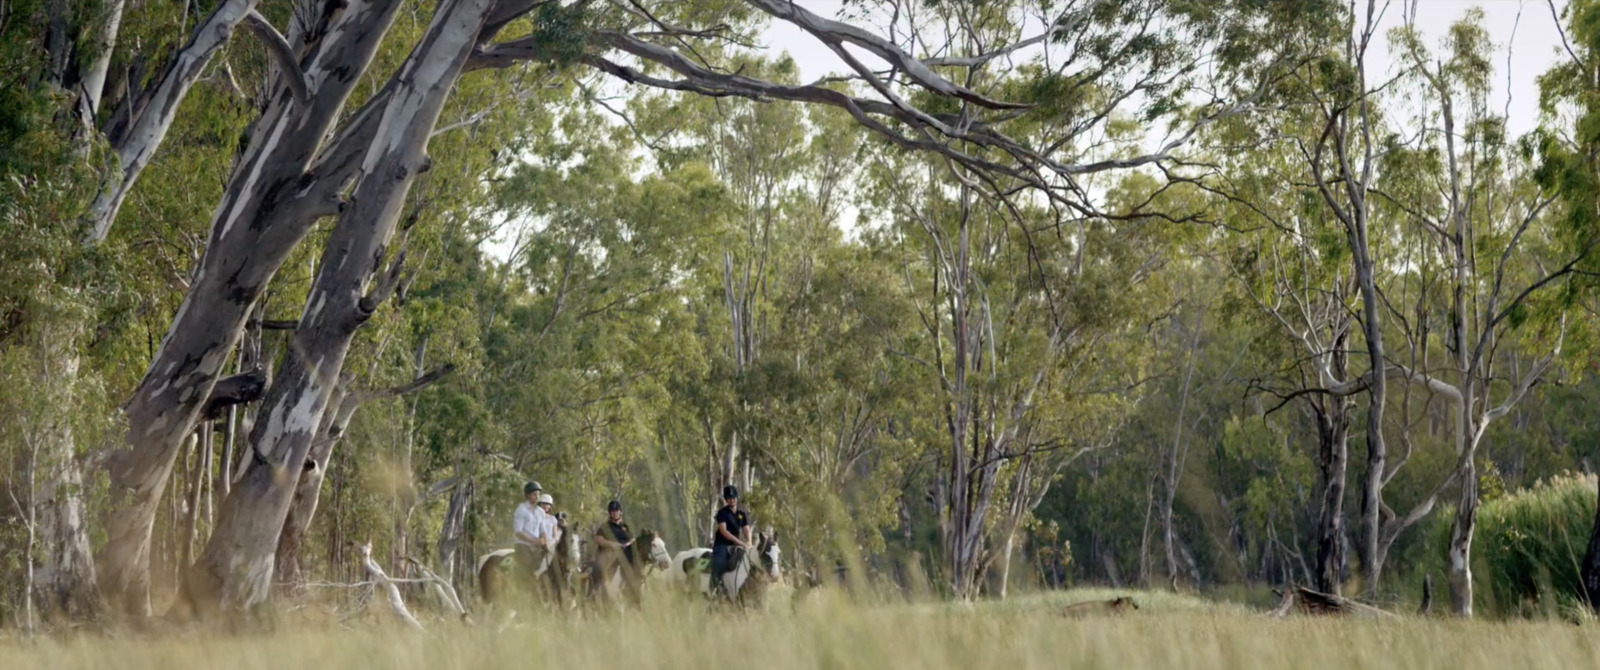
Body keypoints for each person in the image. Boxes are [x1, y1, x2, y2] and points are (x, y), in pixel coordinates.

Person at [591, 499, 641, 605]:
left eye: (616, 510)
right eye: (612, 511)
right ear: (610, 513)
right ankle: (594, 594)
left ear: (621, 512)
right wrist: (612, 545)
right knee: (597, 569)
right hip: (607, 555)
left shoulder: (626, 527)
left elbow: (632, 539)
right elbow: (598, 539)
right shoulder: (605, 527)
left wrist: (627, 544)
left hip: (624, 556)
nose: (614, 512)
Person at [710, 485, 752, 600]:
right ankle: (713, 588)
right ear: (726, 499)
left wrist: (748, 541)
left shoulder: (741, 514)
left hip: (736, 545)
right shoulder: (722, 513)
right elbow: (724, 531)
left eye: (733, 497)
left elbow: (746, 529)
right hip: (722, 545)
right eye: (729, 498)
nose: (732, 500)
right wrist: (740, 543)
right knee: (719, 562)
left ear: (736, 498)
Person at [512, 481, 551, 595]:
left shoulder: (540, 512)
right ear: (528, 495)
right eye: (534, 494)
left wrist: (544, 540)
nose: (537, 496)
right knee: (528, 566)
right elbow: (518, 531)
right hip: (523, 545)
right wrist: (535, 541)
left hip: (537, 545)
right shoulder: (521, 510)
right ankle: (524, 589)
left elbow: (543, 530)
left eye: (538, 494)